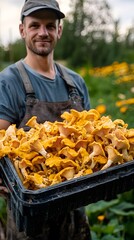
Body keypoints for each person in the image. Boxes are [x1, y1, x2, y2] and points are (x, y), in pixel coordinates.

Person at [0, 0, 91, 239]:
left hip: (75, 209)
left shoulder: (76, 82)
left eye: (50, 26)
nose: (43, 32)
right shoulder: (8, 81)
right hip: (30, 216)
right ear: (23, 30)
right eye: (35, 25)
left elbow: (94, 142)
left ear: (59, 30)